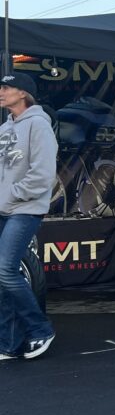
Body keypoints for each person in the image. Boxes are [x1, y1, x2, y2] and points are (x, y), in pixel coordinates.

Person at [0, 72, 58, 361]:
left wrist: (11, 195)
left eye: (6, 87)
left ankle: (40, 330)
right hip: (4, 208)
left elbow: (44, 174)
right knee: (2, 276)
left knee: (5, 270)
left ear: (23, 93)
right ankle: (8, 344)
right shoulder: (5, 128)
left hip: (25, 209)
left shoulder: (38, 124)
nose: (1, 91)